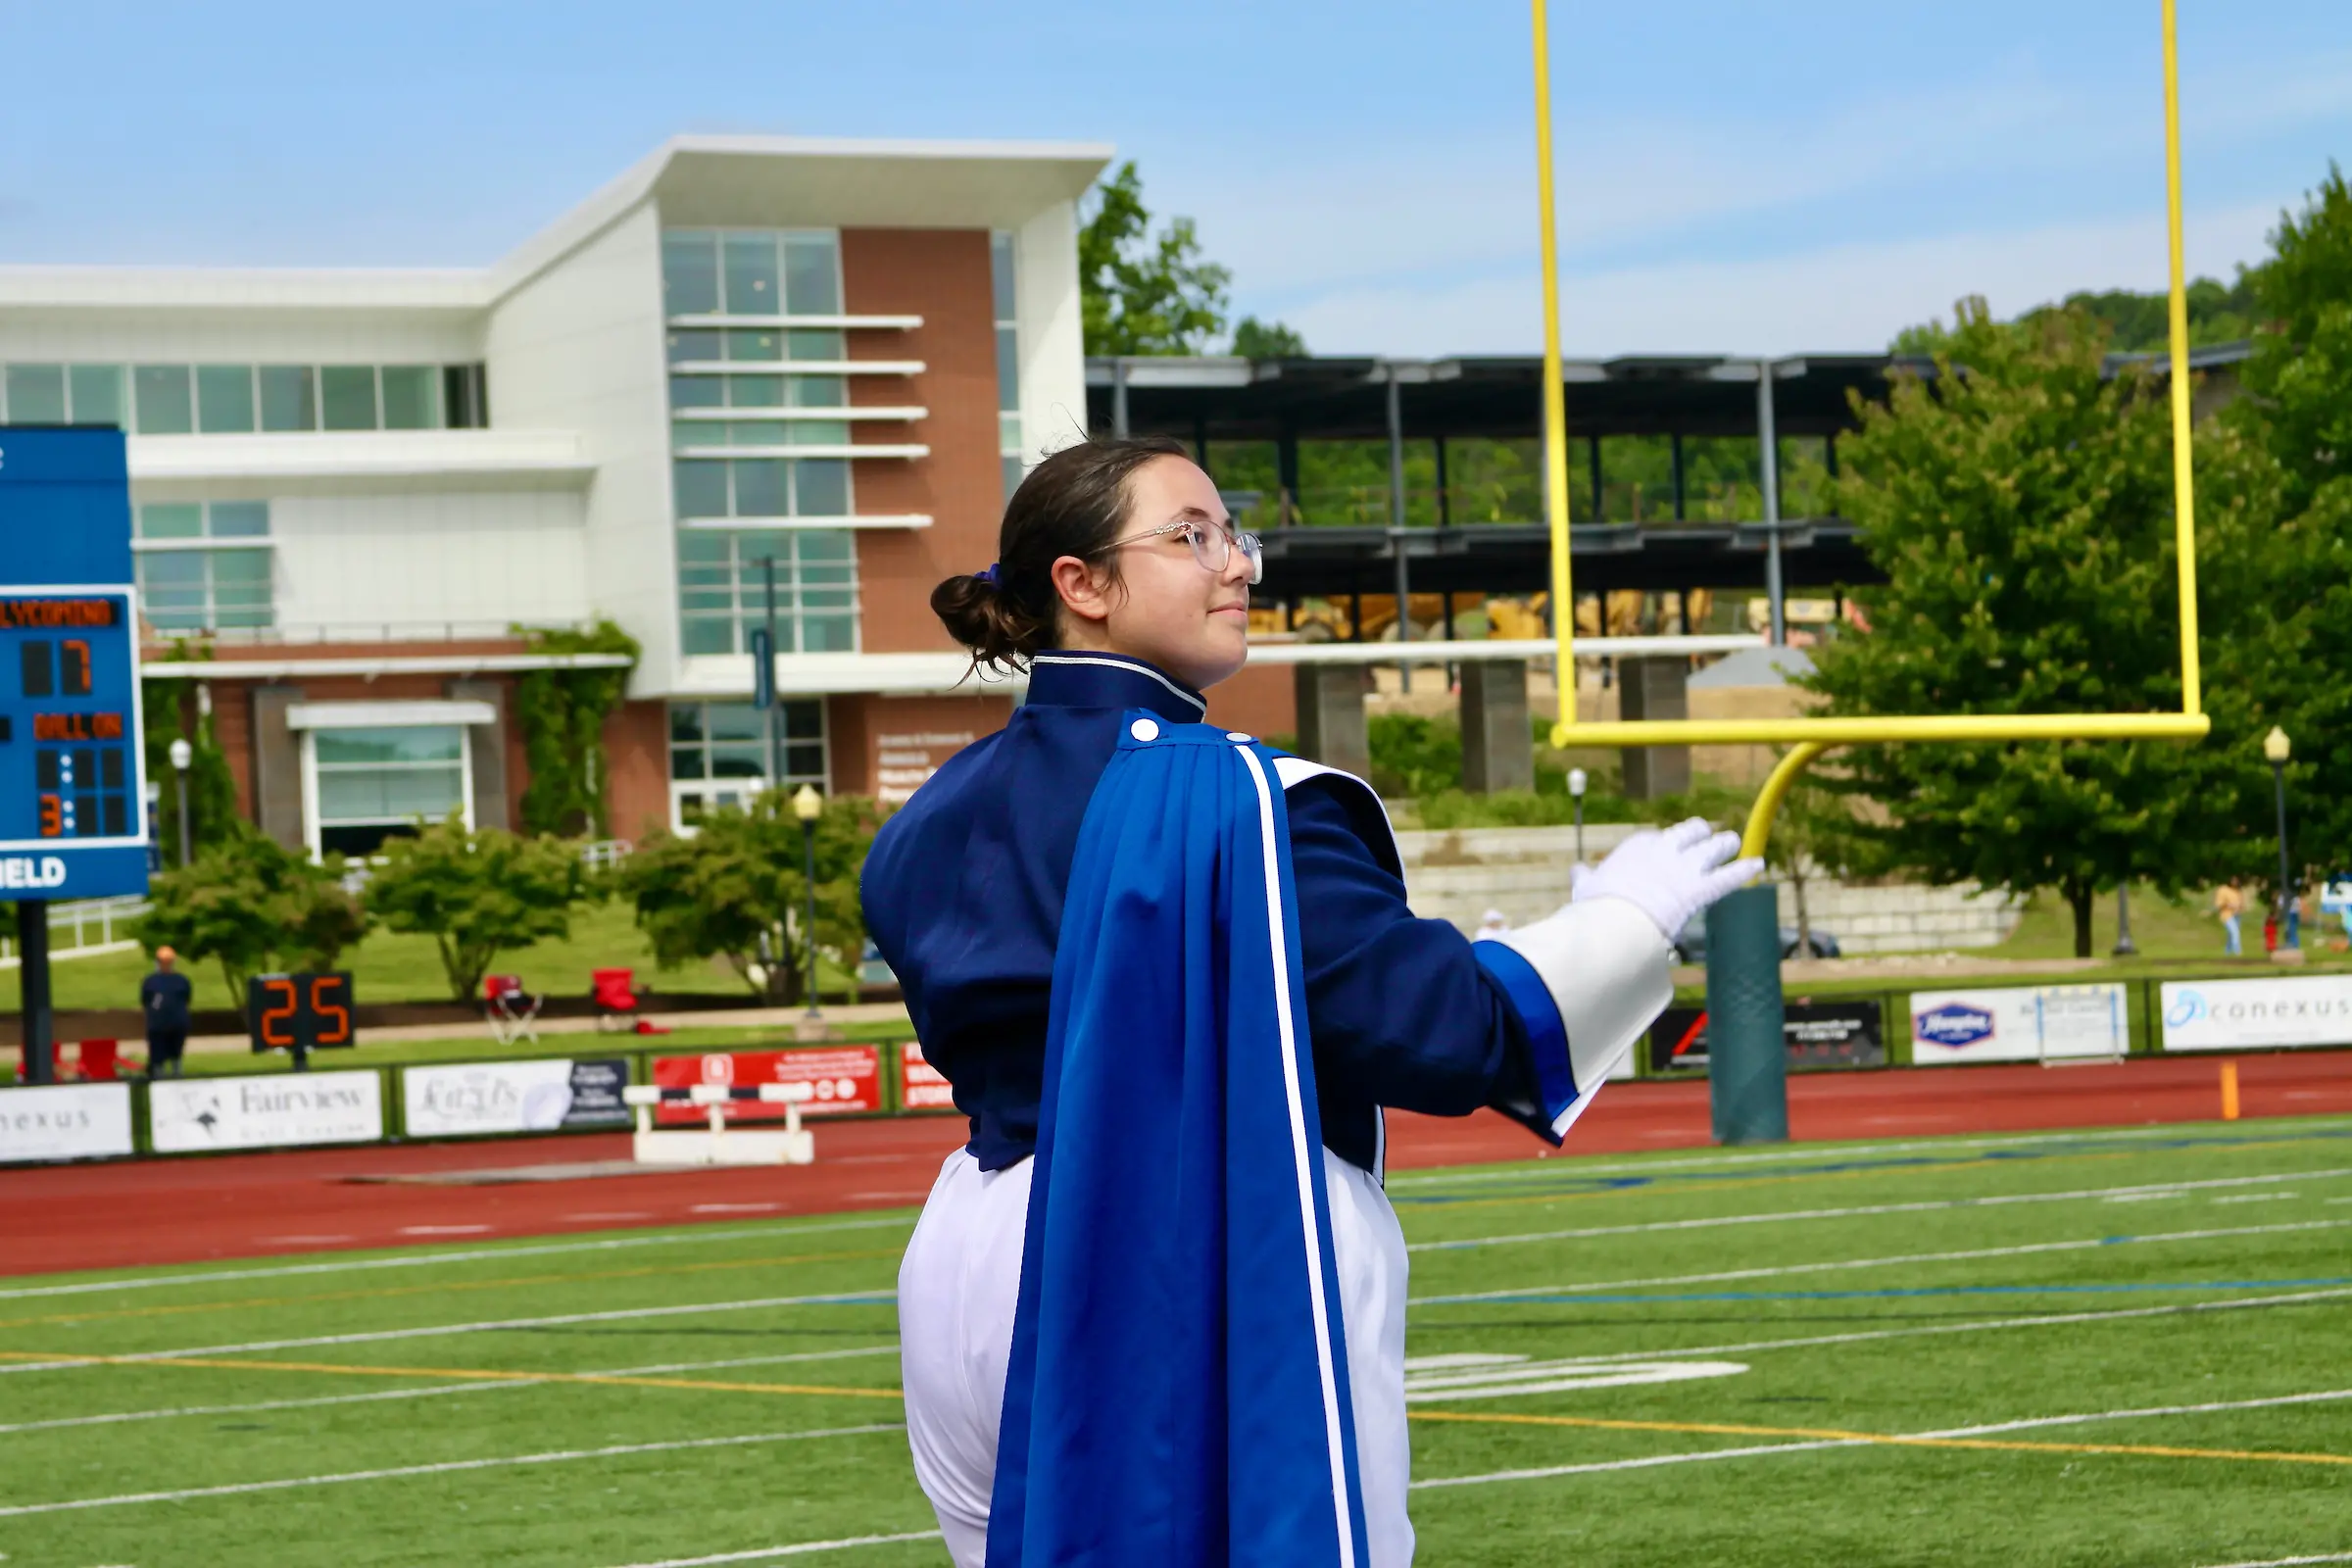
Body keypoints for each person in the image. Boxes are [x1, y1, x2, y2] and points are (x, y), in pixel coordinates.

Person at [862, 436, 1757, 1567]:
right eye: (1191, 536)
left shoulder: (928, 815)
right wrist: (1623, 925)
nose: (1238, 565)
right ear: (1079, 585)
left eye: (1234, 533)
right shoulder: (1240, 800)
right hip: (1170, 1251)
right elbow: (1442, 1035)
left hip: (960, 1263)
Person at [140, 946, 193, 1079]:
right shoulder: (181, 980)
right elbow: (187, 999)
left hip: (164, 1024)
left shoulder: (151, 981)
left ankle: (168, 1078)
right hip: (169, 1024)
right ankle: (170, 1077)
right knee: (170, 1056)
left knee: (165, 1057)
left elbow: (145, 1001)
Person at [2215, 877, 2244, 956]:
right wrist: (2230, 905)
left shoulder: (2238, 891)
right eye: (2233, 880)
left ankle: (2227, 952)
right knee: (2235, 932)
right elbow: (2219, 904)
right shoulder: (2223, 890)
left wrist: (2238, 908)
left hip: (2236, 915)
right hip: (2226, 915)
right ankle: (2238, 952)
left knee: (2231, 935)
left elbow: (2241, 904)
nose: (2235, 882)